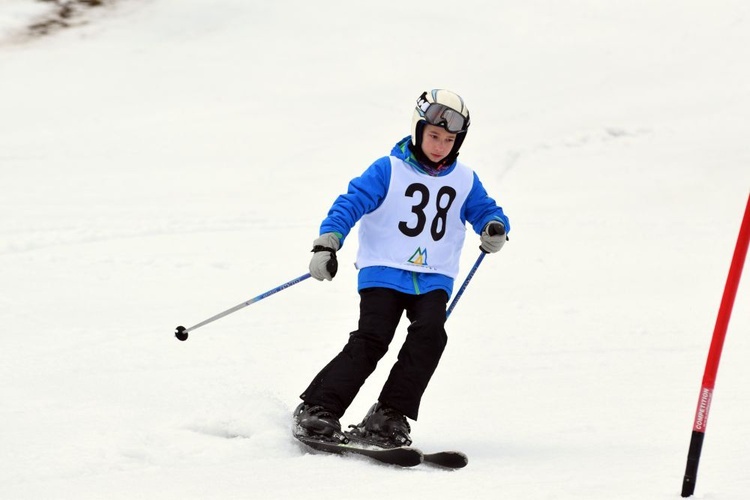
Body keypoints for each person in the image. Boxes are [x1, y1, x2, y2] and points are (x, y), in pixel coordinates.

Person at [293, 89, 510, 447]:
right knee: (373, 338)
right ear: (418, 130)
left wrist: (495, 227)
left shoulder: (464, 180)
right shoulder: (388, 169)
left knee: (430, 336)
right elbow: (351, 202)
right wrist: (327, 242)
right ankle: (319, 407)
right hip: (384, 270)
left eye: (449, 139)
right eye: (434, 136)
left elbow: (486, 209)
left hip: (434, 277)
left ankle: (388, 415)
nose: (440, 145)